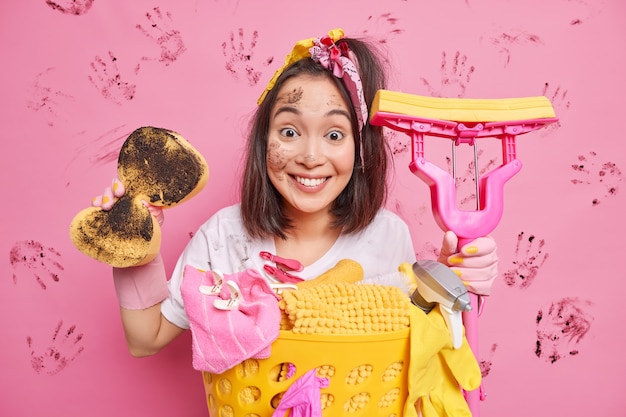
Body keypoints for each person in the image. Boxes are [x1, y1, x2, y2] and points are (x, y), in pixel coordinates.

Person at [94, 28, 498, 358]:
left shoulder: (387, 237)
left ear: (360, 151)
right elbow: (145, 338)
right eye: (289, 132)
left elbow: (419, 346)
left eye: (334, 135)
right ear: (262, 142)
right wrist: (134, 251)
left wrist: (449, 284)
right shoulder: (223, 238)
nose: (309, 156)